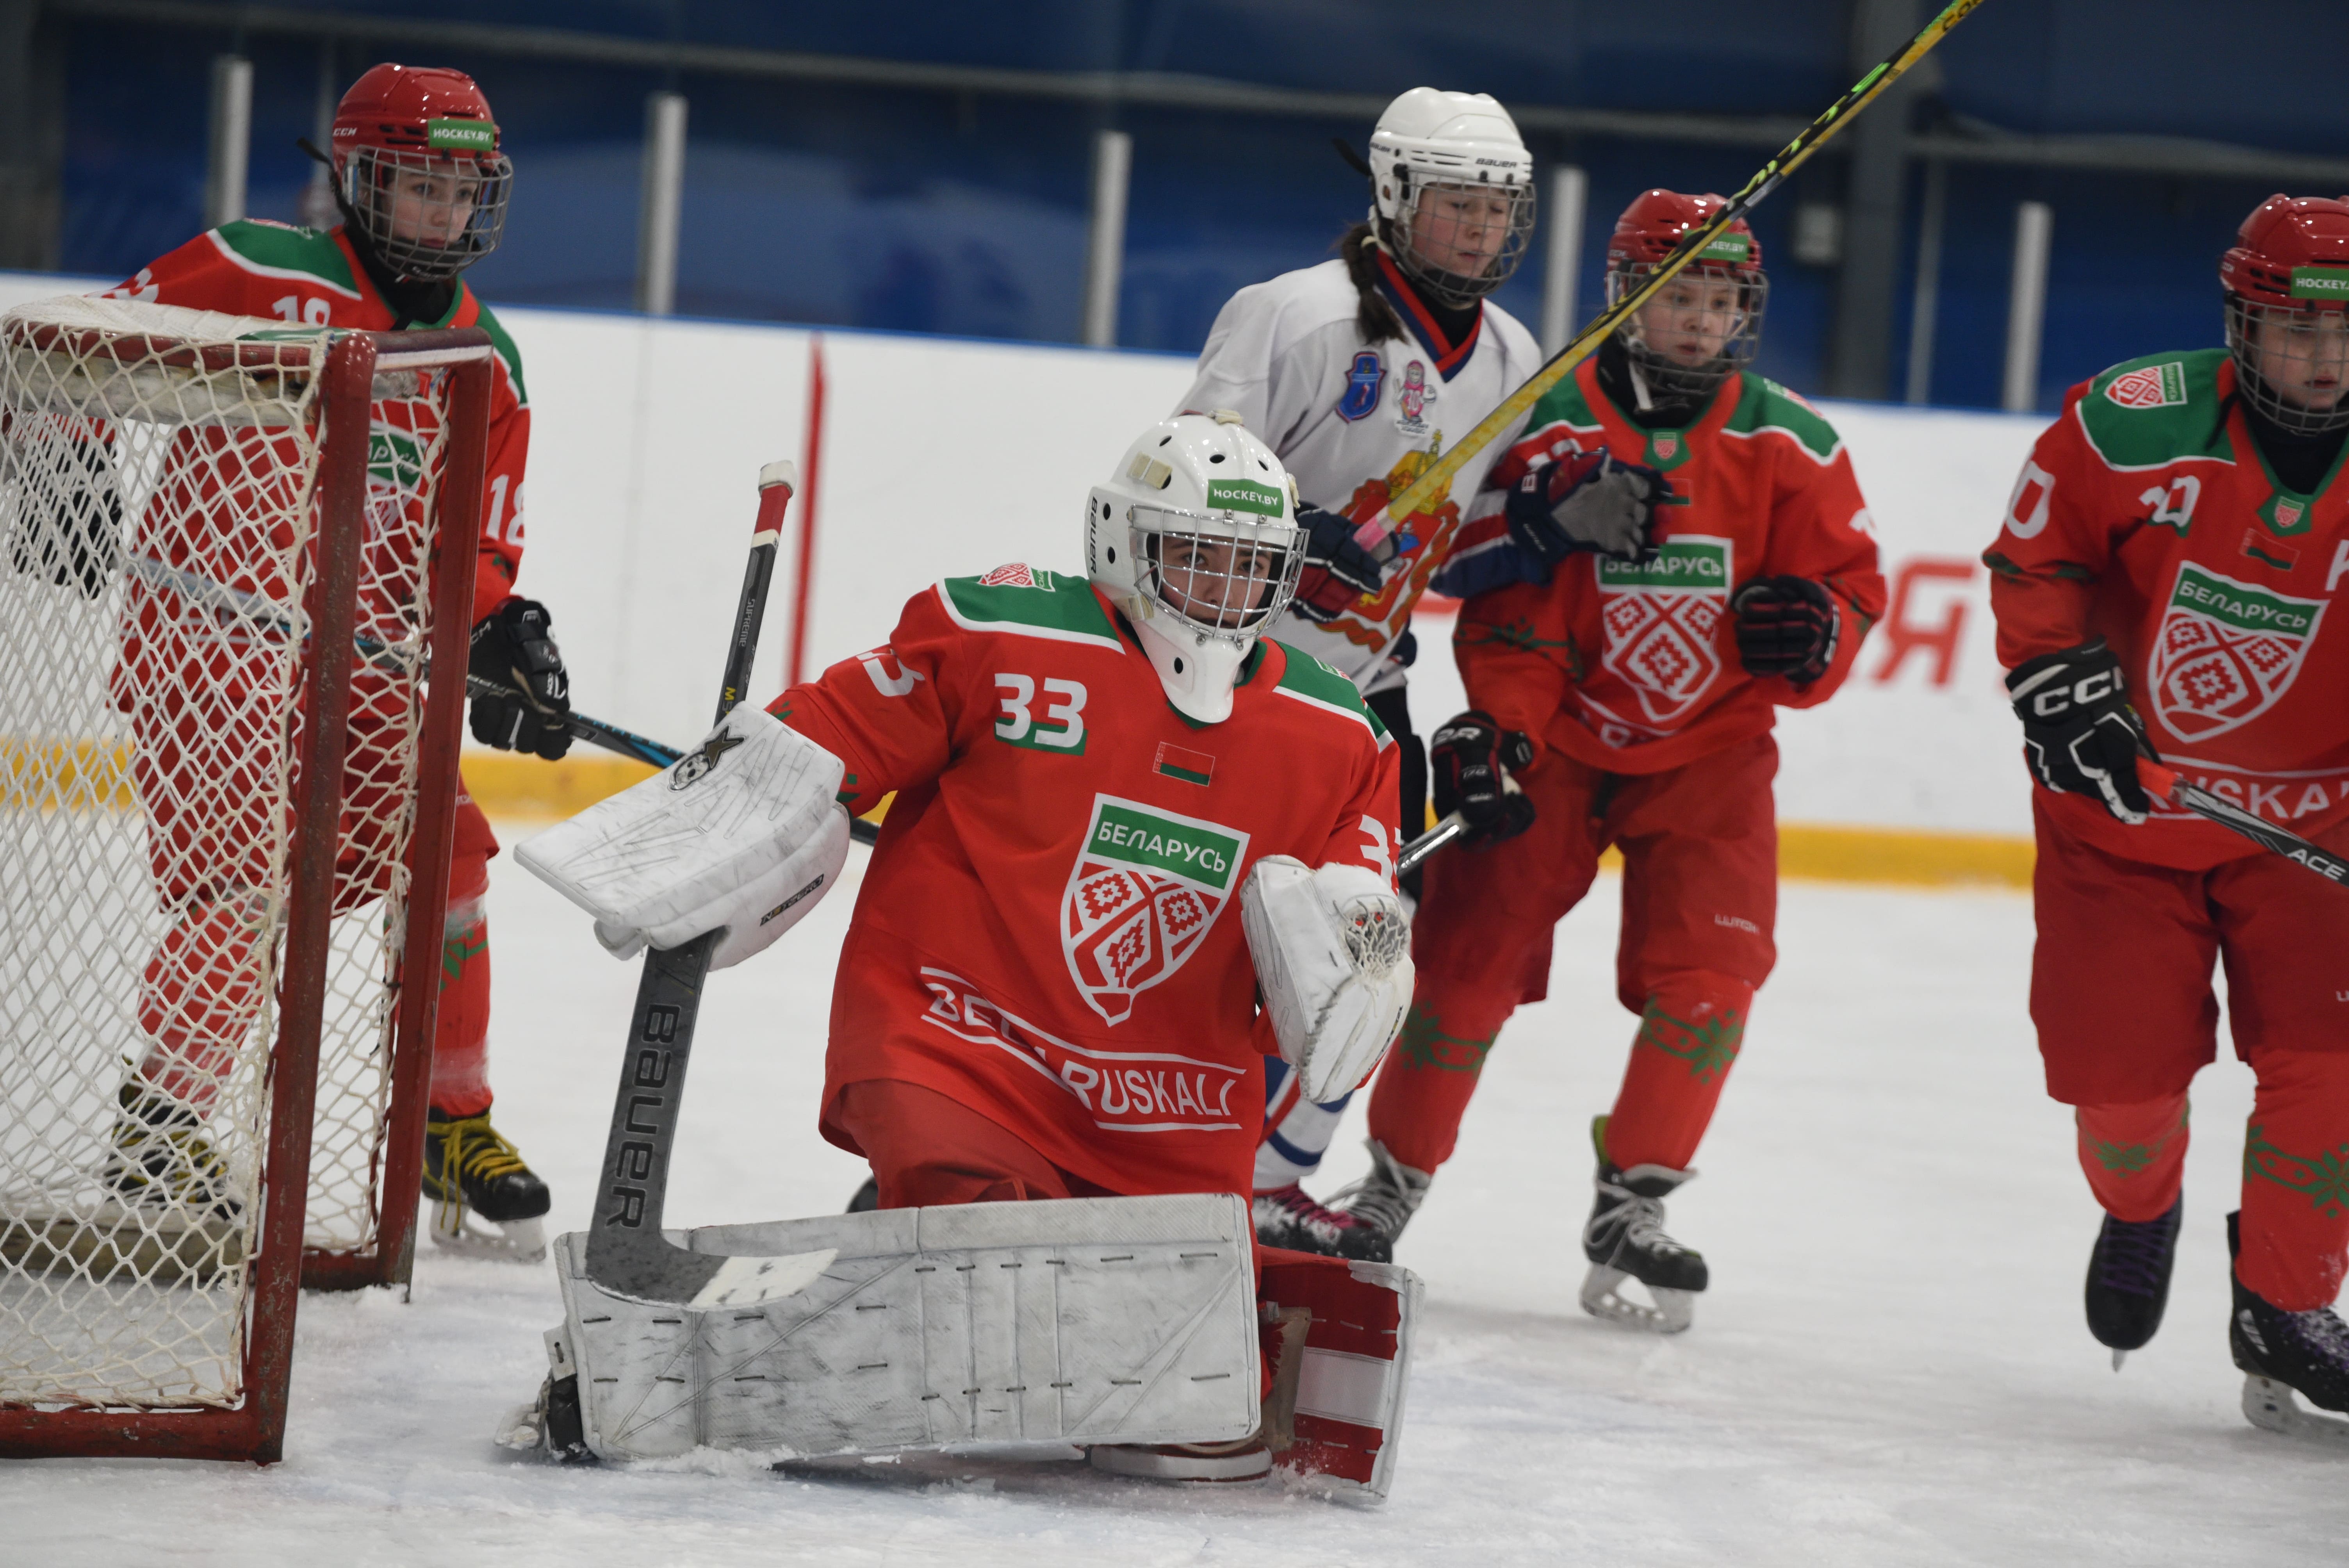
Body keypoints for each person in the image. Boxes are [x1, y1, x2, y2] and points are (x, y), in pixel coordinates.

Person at [523, 411, 1416, 1481]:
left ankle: (903, 1261)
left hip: (1168, 1107)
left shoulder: (1343, 736)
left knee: (1201, 1433)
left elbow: (1355, 925)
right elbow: (834, 734)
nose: (1225, 589)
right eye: (1197, 556)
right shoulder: (1002, 633)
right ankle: (850, 1266)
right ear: (1123, 540)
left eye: (1250, 566)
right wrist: (738, 813)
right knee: (988, 1267)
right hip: (962, 1044)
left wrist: (1360, 958)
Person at [1333, 190, 1885, 1333]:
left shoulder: (1794, 444)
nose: (1702, 319)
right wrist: (1504, 726)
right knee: (1466, 969)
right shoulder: (1546, 417)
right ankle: (1391, 1183)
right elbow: (1502, 601)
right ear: (1628, 297)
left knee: (1715, 981)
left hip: (1714, 754)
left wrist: (1820, 633)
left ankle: (1635, 1199)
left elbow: (1852, 590)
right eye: (1680, 294)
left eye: (1724, 299)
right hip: (1557, 744)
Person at [85, 63, 567, 1257]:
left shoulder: (484, 357)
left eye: (464, 193)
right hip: (208, 640)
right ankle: (159, 1125)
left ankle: (451, 1120)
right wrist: (72, 449)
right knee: (247, 877)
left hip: (364, 665)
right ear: (358, 180)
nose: (445, 216)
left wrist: (497, 629)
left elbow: (476, 546)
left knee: (451, 850)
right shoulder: (256, 268)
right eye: (420, 188)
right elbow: (81, 343)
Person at [1169, 87, 1564, 1261]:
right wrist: (1289, 535)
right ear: (1393, 196)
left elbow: (1464, 545)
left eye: (1499, 210)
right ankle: (1148, 1149)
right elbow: (1182, 483)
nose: (1482, 232)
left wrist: (1547, 526)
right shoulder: (1295, 318)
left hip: (1366, 692)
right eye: (1456, 205)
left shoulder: (1513, 356)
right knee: (1200, 927)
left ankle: (1271, 1181)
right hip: (1230, 675)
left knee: (1374, 935)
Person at [1985, 192, 2349, 1434]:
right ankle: (2142, 1206)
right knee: (2122, 1097)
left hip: (2315, 828)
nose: (2326, 357)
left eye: (2347, 332)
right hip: (2124, 822)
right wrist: (2057, 683)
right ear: (2243, 324)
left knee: (2331, 1064)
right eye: (2298, 329)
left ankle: (2287, 1304)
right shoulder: (2129, 422)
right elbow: (2038, 560)